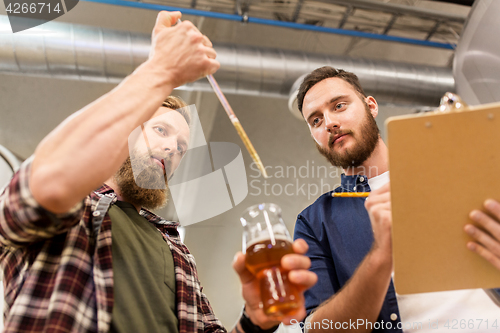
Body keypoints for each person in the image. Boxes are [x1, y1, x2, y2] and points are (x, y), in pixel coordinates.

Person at [0, 11, 317, 333]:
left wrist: (254, 321)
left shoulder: (174, 246)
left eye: (181, 147)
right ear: (125, 133)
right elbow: (47, 186)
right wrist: (160, 71)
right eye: (161, 131)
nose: (173, 149)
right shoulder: (78, 206)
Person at [293, 66, 500, 333]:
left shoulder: (456, 172)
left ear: (371, 106)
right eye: (316, 121)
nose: (330, 122)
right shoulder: (314, 222)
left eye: (339, 105)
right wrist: (380, 257)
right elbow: (315, 330)